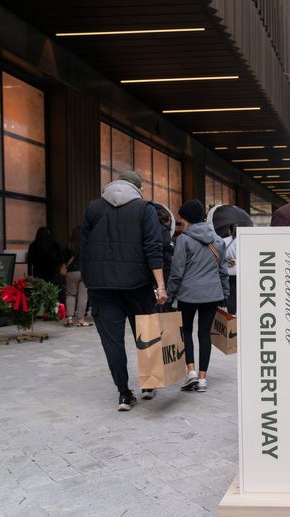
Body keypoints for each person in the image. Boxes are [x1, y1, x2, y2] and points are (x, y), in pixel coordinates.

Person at [80, 170, 166, 411]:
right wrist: (160, 285)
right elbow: (153, 248)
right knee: (147, 334)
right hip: (137, 284)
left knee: (112, 342)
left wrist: (90, 280)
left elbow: (84, 248)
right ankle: (149, 384)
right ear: (138, 188)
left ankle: (124, 394)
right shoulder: (144, 208)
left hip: (101, 287)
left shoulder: (93, 208)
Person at [167, 200, 231, 393]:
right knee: (205, 334)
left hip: (188, 294)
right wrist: (225, 294)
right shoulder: (218, 240)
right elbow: (223, 271)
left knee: (186, 332)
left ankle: (191, 372)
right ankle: (203, 379)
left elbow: (177, 272)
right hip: (212, 294)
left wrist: (169, 296)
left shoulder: (183, 240)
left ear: (185, 218)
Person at [63, 226, 90, 327]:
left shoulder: (69, 245)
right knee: (83, 296)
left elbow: (62, 258)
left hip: (71, 272)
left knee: (70, 294)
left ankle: (70, 319)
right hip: (84, 272)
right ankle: (81, 320)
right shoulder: (86, 244)